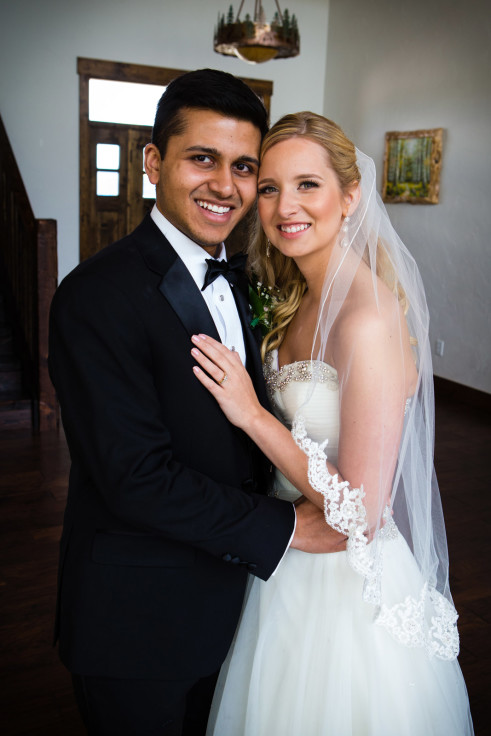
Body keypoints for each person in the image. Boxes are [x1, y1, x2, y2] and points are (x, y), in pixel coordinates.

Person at [48, 73, 341, 736]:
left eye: (244, 168)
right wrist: (289, 527)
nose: (225, 186)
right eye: (201, 159)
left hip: (240, 605)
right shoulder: (97, 296)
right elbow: (135, 478)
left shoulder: (246, 280)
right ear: (154, 162)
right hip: (138, 619)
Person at [190, 112, 475, 735]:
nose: (284, 205)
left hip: (346, 586)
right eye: (269, 187)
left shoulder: (366, 319)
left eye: (307, 185)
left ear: (351, 197)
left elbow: (364, 513)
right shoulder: (300, 293)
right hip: (289, 549)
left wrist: (251, 413)